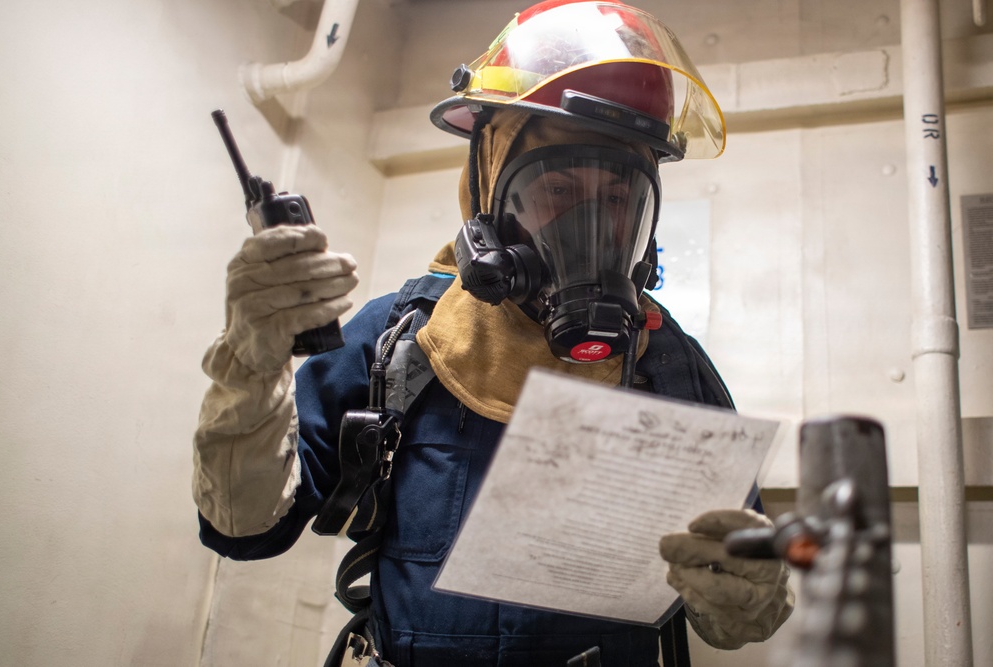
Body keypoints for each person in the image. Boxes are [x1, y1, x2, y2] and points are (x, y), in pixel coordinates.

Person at [192, 1, 793, 665]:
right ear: (488, 197)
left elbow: (734, 596)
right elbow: (245, 527)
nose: (590, 228)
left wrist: (746, 594)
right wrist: (253, 365)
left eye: (616, 199)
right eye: (558, 190)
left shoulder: (667, 365)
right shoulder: (402, 340)